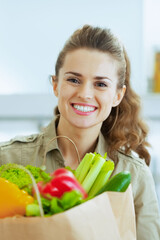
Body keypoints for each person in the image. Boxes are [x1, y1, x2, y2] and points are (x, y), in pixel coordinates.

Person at [0, 24, 160, 239]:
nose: (85, 94)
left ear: (117, 95)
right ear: (56, 85)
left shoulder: (134, 175)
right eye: (73, 80)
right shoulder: (7, 158)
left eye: (101, 84)